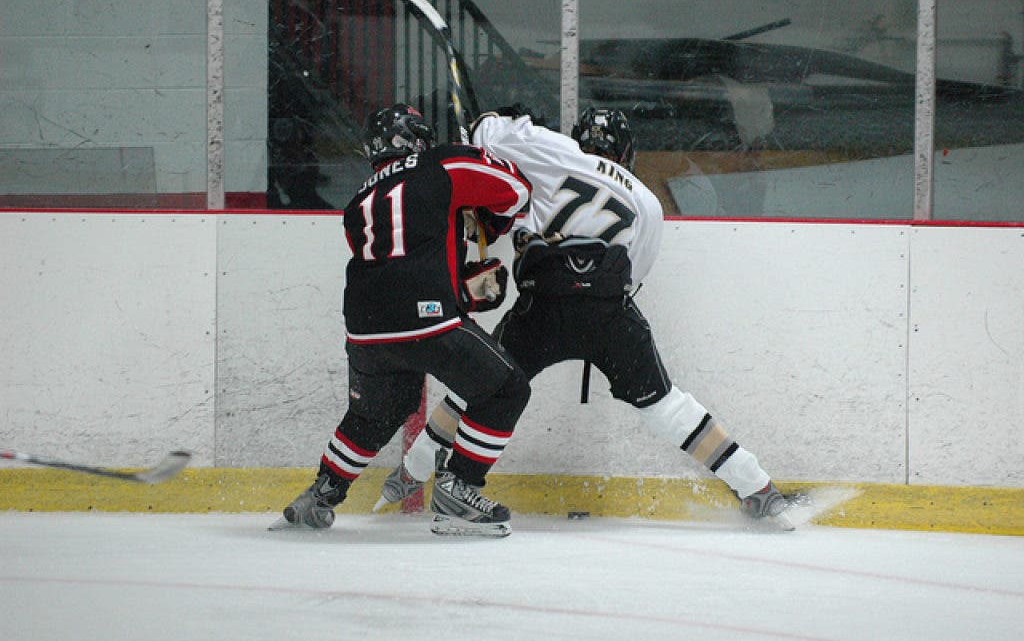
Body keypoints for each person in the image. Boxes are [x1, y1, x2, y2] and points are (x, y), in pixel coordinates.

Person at [376, 107, 802, 528]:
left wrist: (490, 119)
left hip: (541, 305)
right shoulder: (646, 202)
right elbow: (633, 275)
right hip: (607, 312)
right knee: (665, 405)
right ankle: (757, 487)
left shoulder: (556, 151)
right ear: (627, 152)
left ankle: (410, 474)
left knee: (484, 386)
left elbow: (486, 133)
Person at [276, 103, 532, 537]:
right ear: (415, 136)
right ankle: (460, 488)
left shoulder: (357, 202)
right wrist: (487, 176)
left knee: (377, 413)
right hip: (426, 319)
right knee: (506, 389)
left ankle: (320, 494)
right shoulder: (443, 162)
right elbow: (517, 189)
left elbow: (404, 249)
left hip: (364, 326)